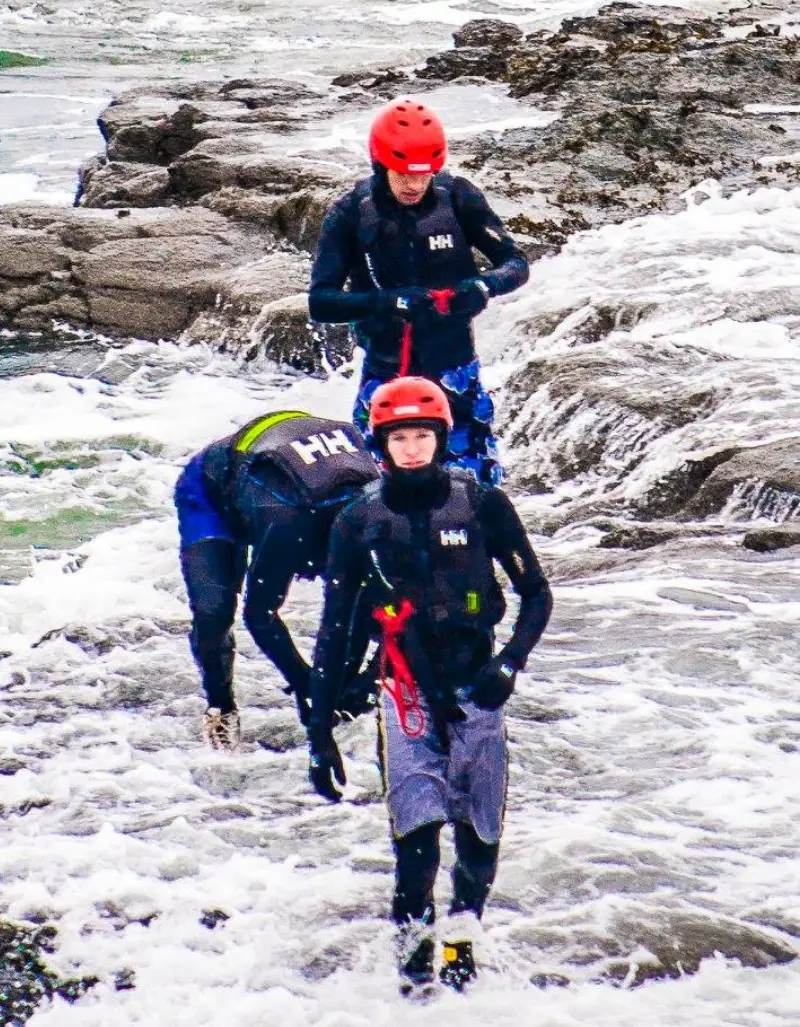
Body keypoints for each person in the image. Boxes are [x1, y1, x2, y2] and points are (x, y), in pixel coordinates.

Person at [306, 378, 552, 996]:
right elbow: (334, 631)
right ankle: (413, 988)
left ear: (440, 438)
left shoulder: (481, 504)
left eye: (422, 436)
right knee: (415, 859)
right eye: (398, 438)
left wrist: (510, 665)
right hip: (406, 697)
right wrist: (318, 734)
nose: (411, 448)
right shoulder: (359, 519)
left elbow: (536, 595)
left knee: (479, 843)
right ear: (380, 443)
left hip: (478, 691)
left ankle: (462, 946)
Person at [308, 97, 529, 487]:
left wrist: (483, 285)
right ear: (381, 163)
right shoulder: (350, 213)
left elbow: (516, 263)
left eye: (423, 175)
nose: (414, 185)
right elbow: (321, 302)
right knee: (375, 493)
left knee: (476, 491)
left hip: (455, 369)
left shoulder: (458, 198)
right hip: (386, 373)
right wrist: (389, 302)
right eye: (403, 175)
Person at [174, 409, 380, 752]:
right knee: (215, 611)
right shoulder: (288, 527)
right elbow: (259, 615)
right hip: (214, 494)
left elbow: (406, 602)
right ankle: (220, 706)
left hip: (290, 483)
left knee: (373, 600)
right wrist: (303, 682)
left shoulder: (384, 515)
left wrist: (368, 681)